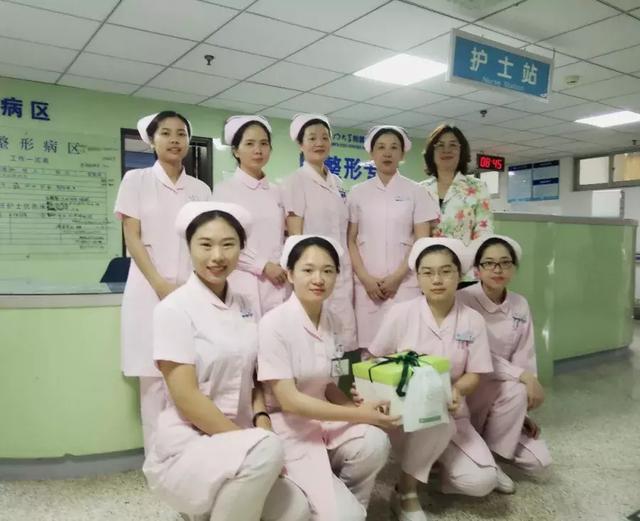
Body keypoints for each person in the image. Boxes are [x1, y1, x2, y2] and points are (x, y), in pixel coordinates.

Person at [142, 201, 310, 521]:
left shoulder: (245, 305)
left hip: (241, 437)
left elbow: (252, 376)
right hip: (189, 444)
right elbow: (186, 398)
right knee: (266, 450)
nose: (217, 256)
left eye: (228, 245)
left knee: (297, 511)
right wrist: (253, 444)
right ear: (189, 247)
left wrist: (261, 419)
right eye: (205, 245)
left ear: (240, 249)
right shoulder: (173, 310)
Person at [258, 234, 397, 521]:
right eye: (308, 270)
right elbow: (290, 401)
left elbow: (334, 382)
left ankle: (346, 501)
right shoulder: (274, 324)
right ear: (290, 274)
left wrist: (360, 407)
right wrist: (360, 414)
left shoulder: (334, 321)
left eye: (328, 271)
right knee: (345, 516)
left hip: (325, 419)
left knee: (374, 441)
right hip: (289, 426)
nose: (318, 279)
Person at [369, 238, 499, 520]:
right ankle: (406, 491)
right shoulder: (401, 313)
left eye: (446, 271)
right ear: (418, 277)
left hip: (452, 412)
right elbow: (374, 358)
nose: (437, 280)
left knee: (482, 482)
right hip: (404, 416)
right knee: (435, 420)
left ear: (459, 274)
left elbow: (474, 373)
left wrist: (457, 390)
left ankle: (432, 464)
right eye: (427, 272)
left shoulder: (472, 320)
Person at [114, 111, 211, 452]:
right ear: (152, 141)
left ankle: (185, 455)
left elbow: (206, 241)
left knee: (187, 374)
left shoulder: (200, 190)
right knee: (153, 379)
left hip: (191, 292)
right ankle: (157, 460)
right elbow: (132, 237)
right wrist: (158, 283)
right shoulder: (136, 180)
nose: (174, 140)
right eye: (166, 133)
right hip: (148, 290)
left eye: (181, 133)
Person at [458, 234, 552, 491]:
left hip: (506, 391)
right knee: (516, 389)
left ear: (514, 267)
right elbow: (475, 354)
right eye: (489, 263)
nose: (497, 269)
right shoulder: (463, 300)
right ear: (477, 269)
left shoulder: (519, 303)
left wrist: (521, 413)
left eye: (505, 263)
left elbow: (525, 353)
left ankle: (491, 453)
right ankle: (486, 459)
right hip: (471, 387)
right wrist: (521, 376)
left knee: (541, 464)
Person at [347, 125, 439, 351]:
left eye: (393, 147)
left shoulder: (417, 192)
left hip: (404, 284)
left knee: (405, 349)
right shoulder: (357, 192)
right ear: (372, 153)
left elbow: (421, 240)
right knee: (369, 352)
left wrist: (397, 277)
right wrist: (365, 278)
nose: (387, 153)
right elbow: (350, 240)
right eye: (381, 147)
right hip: (367, 286)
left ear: (402, 154)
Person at [281, 113, 356, 351]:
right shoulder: (295, 181)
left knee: (342, 339)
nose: (319, 143)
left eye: (325, 137)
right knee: (314, 337)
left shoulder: (338, 183)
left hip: (341, 271)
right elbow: (295, 237)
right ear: (300, 144)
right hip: (313, 271)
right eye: (312, 138)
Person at [212, 114, 287, 318]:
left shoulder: (278, 191)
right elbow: (223, 241)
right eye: (250, 143)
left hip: (278, 280)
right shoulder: (224, 191)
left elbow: (284, 235)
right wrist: (263, 265)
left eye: (264, 143)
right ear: (236, 151)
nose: (258, 150)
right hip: (243, 278)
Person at [420, 124, 493, 245]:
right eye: (440, 145)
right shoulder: (420, 189)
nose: (446, 150)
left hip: (464, 256)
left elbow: (484, 231)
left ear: (461, 151)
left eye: (453, 145)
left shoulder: (478, 187)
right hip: (427, 256)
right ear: (431, 152)